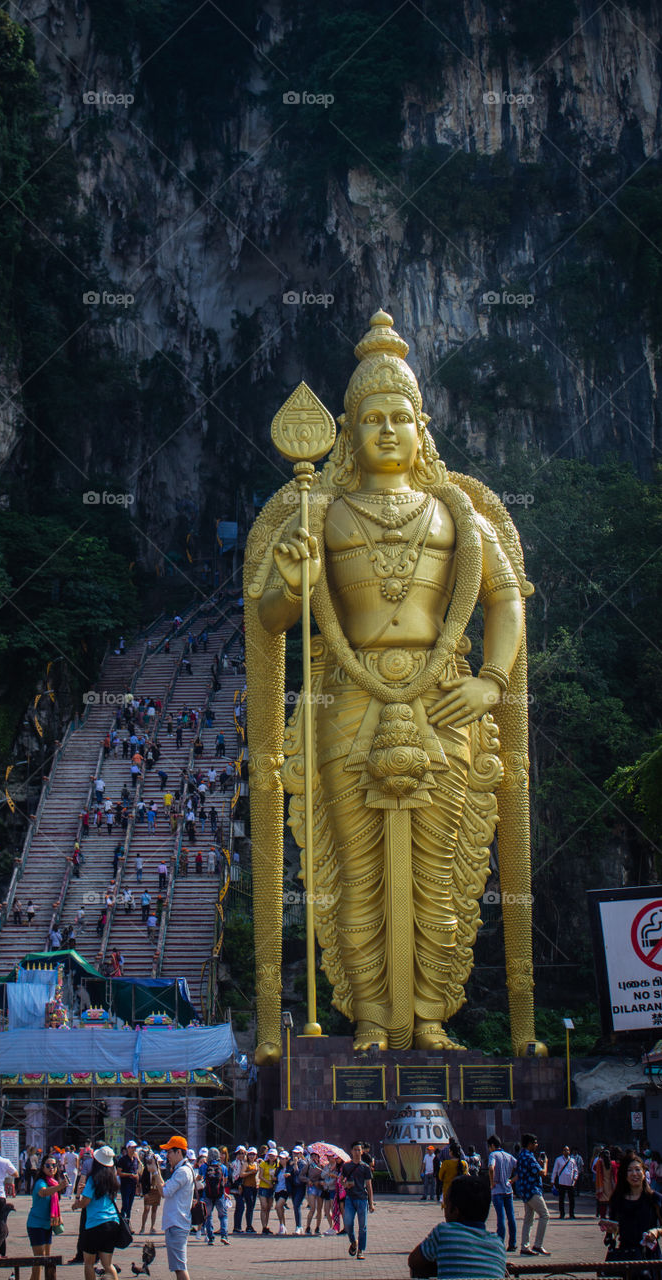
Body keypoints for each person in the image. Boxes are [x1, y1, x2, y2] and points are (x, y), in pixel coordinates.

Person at [246, 309, 539, 1056]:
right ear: (345, 429)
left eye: (398, 417)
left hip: (444, 697)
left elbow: (505, 602)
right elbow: (273, 615)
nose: (384, 430)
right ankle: (372, 1018)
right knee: (355, 873)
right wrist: (294, 582)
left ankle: (433, 1016)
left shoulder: (458, 512)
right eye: (369, 417)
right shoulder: (320, 509)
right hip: (348, 699)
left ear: (422, 426)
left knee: (441, 876)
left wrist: (492, 682)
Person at [409, 1173, 507, 1279]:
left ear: (455, 1211)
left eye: (445, 1206)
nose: (444, 1211)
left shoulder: (444, 1232)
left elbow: (414, 1261)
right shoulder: (498, 1244)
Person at [599, 1149, 662, 1268]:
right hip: (626, 1255)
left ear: (644, 1173)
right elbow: (615, 1227)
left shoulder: (654, 1198)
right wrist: (611, 1228)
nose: (634, 1174)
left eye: (638, 1170)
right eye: (630, 1170)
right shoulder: (617, 1199)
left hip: (650, 1256)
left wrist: (657, 1231)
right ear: (624, 1175)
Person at [150, 1135, 195, 1280]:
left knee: (179, 1267)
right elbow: (165, 1186)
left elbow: (164, 1192)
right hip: (177, 1222)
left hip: (177, 1222)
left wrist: (156, 1172)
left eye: (169, 1152)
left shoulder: (182, 1171)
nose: (167, 1155)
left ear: (179, 1152)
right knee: (178, 1266)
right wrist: (156, 1171)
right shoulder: (181, 1169)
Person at [74, 1145, 122, 1280]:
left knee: (89, 1263)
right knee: (107, 1264)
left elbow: (86, 1202)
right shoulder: (112, 1178)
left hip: (95, 1223)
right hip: (112, 1222)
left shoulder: (92, 1179)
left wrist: (76, 1203)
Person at [27, 1152, 68, 1280]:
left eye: (54, 1165)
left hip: (47, 1224)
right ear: (42, 1168)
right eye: (48, 1165)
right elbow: (43, 1193)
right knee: (39, 1260)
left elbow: (54, 1204)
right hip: (36, 1224)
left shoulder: (54, 1182)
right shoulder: (41, 1182)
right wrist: (59, 1187)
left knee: (47, 1258)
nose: (51, 1168)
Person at [516, 1132, 550, 1256]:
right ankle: (538, 1245)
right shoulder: (529, 1157)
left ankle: (525, 1247)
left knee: (528, 1219)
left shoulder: (522, 1155)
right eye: (535, 1143)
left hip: (525, 1191)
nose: (536, 1145)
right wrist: (545, 1163)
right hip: (533, 1190)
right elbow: (543, 1173)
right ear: (530, 1144)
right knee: (545, 1215)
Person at [341, 1140, 374, 1260]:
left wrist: (371, 1203)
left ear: (362, 1151)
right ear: (351, 1151)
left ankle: (360, 1250)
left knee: (362, 1226)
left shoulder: (365, 1167)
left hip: (362, 1199)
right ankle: (353, 1242)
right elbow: (341, 1181)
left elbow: (369, 1186)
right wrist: (346, 1185)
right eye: (354, 1150)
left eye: (359, 1150)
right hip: (350, 1198)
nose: (357, 1152)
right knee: (348, 1223)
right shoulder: (347, 1166)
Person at [486, 1134, 516, 1252]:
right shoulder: (509, 1156)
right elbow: (521, 1168)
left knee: (501, 1217)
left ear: (492, 1146)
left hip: (497, 1190)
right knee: (511, 1217)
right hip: (508, 1189)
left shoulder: (493, 1155)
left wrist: (492, 1182)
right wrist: (512, 1180)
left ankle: (500, 1243)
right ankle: (512, 1243)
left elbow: (491, 1168)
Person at [202, 1146, 230, 1245]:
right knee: (223, 1216)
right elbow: (225, 1181)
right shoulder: (223, 1167)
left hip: (207, 1194)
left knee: (208, 1216)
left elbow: (199, 1178)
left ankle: (211, 1238)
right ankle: (224, 1236)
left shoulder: (204, 1166)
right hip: (220, 1194)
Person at [551, 1144, 579, 1219]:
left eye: (567, 1150)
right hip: (562, 1182)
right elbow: (555, 1170)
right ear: (562, 1151)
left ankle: (571, 1214)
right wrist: (552, 1180)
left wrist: (575, 1178)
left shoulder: (572, 1160)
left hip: (570, 1182)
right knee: (561, 1199)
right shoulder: (558, 1160)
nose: (566, 1151)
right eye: (564, 1150)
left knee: (571, 1199)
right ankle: (562, 1214)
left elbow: (576, 1170)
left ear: (569, 1151)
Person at [139, 1149, 162, 1235]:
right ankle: (142, 1227)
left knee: (154, 1209)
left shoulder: (157, 1168)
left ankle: (152, 1227)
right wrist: (145, 1193)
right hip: (149, 1190)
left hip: (156, 1190)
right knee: (146, 1208)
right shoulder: (146, 1169)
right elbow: (143, 1181)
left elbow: (159, 1179)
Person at [117, 1142, 140, 1220]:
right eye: (132, 1147)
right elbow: (119, 1172)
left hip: (133, 1185)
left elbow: (136, 1171)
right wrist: (129, 1175)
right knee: (125, 1204)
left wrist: (137, 1183)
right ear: (128, 1148)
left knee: (130, 1205)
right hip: (125, 1185)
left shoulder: (135, 1160)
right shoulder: (122, 1160)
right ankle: (123, 1221)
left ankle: (127, 1222)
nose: (133, 1149)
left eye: (134, 1148)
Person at [596, 1148, 616, 1217]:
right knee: (610, 1202)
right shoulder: (612, 1163)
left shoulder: (599, 1163)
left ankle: (603, 1217)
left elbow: (594, 1168)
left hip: (602, 1184)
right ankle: (611, 1217)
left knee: (602, 1203)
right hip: (610, 1185)